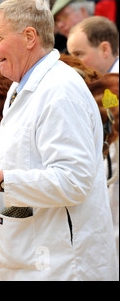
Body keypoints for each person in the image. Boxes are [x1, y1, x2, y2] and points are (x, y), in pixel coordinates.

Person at [0, 0, 118, 280]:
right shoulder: (22, 86)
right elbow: (27, 167)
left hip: (62, 266)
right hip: (32, 257)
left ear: (29, 36)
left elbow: (73, 181)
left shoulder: (59, 92)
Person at [67, 15, 119, 259]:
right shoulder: (94, 86)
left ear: (105, 48)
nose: (73, 63)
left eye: (78, 54)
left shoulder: (112, 86)